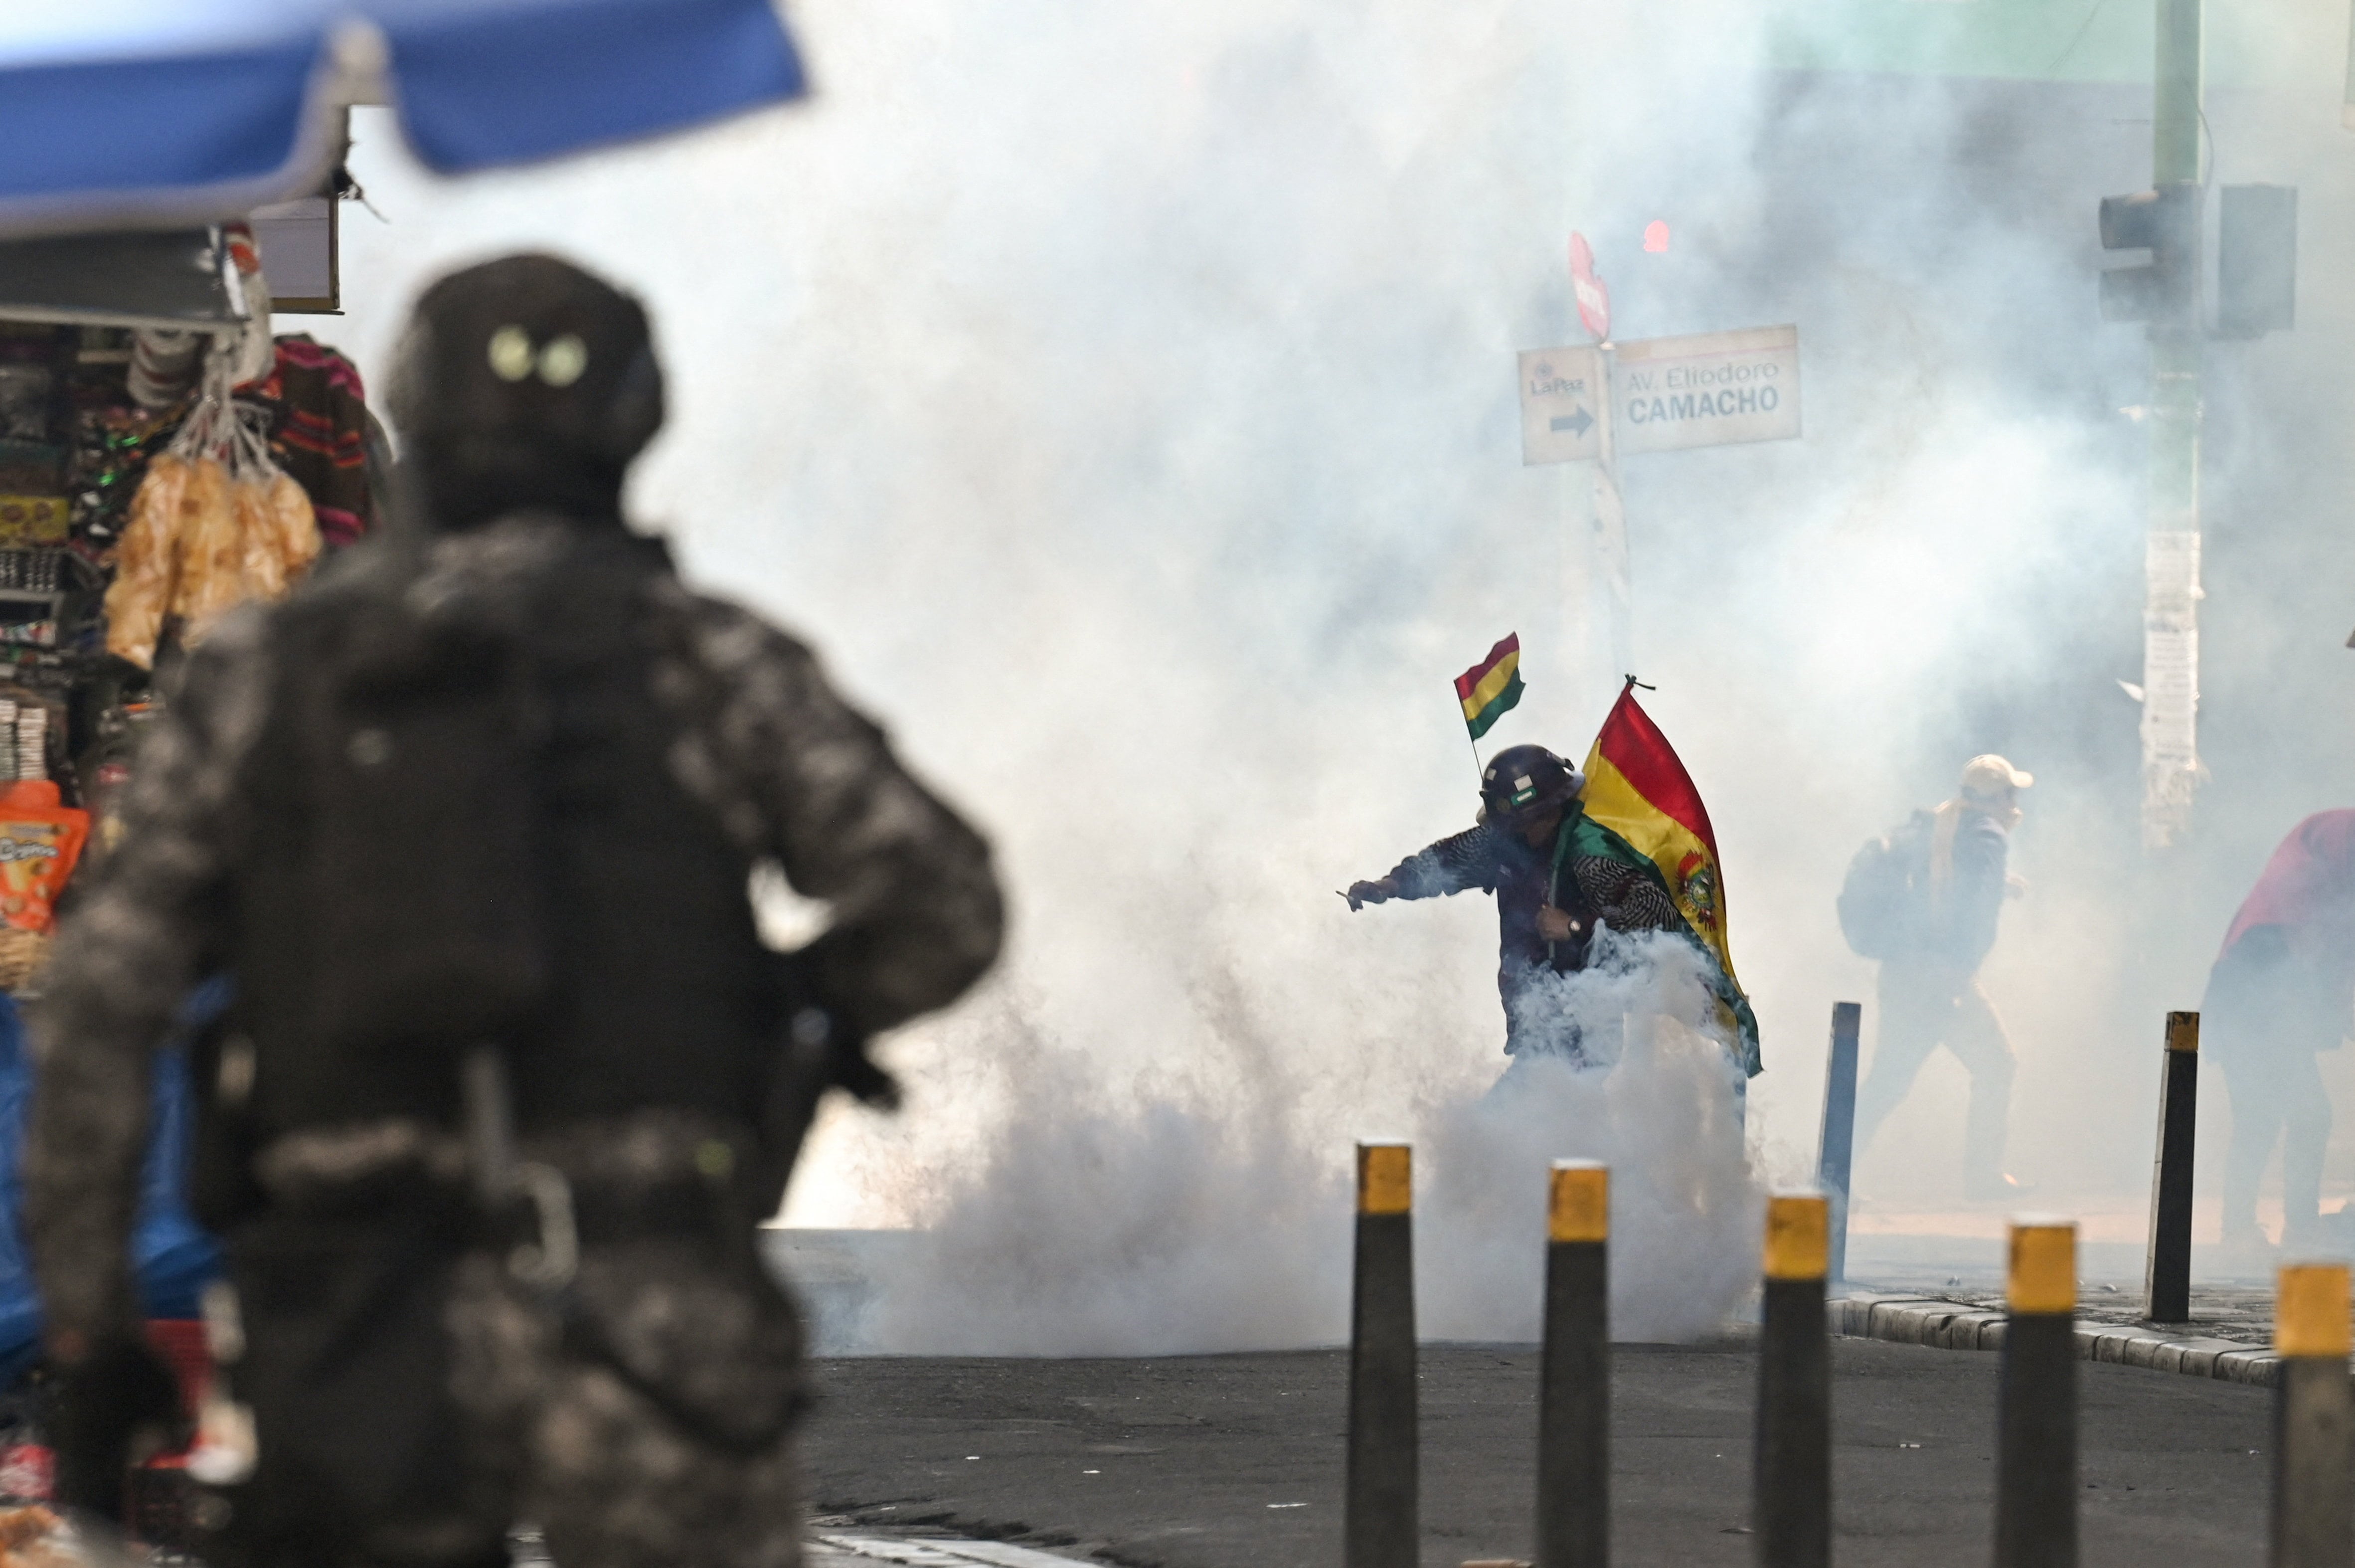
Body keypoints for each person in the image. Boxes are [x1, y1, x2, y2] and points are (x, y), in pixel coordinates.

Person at [22, 255, 1004, 1568]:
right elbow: (942, 903)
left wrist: (94, 1339)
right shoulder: (706, 658)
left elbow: (99, 1000)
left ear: (416, 417)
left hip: (363, 1324)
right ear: (633, 420)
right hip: (655, 1308)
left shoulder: (266, 676)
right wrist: (798, 1008)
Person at [1344, 744, 1688, 1062]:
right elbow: (1447, 860)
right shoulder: (1504, 842)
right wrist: (1389, 885)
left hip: (1586, 1018)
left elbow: (1653, 915)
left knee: (1548, 1113)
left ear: (1548, 812)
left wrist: (1575, 926)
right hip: (1528, 1011)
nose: (1512, 834)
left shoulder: (1591, 851)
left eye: (1521, 825)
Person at [1843, 754, 2031, 1200]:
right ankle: (1983, 1178)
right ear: (1998, 797)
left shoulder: (1941, 824)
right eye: (2012, 793)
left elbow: (1937, 888)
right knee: (1998, 1063)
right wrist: (1959, 973)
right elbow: (1976, 910)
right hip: (1941, 975)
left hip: (1904, 970)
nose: (2015, 802)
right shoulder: (1986, 835)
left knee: (1888, 1080)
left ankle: (1832, 1174)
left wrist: (2000, 883)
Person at [2202, 811, 2355, 1254]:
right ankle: (2268, 1230)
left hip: (2255, 1014)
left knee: (2271, 1118)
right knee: (2289, 1116)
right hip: (2250, 1014)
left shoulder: (2308, 878)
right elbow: (2320, 970)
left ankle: (2253, 1229)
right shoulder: (2295, 906)